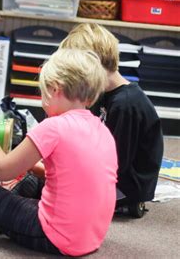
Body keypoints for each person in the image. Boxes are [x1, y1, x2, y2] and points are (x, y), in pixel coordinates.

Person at [0, 49, 118, 256]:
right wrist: (32, 166)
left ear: (55, 89)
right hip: (90, 237)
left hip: (53, 237)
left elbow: (1, 170)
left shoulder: (53, 126)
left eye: (43, 92)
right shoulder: (101, 129)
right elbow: (74, 177)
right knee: (32, 181)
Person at [58, 23, 163, 214]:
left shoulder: (126, 104)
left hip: (127, 185)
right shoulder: (104, 93)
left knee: (59, 194)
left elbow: (114, 163)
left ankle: (127, 205)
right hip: (113, 175)